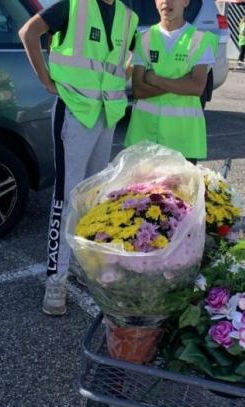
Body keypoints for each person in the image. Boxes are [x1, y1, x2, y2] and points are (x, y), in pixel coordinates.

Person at [19, 0, 139, 316]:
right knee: (66, 196)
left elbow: (124, 62)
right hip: (75, 110)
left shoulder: (129, 18)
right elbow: (28, 32)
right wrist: (45, 79)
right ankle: (55, 280)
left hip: (106, 112)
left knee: (93, 198)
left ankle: (79, 266)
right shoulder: (74, 6)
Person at [124, 0, 218, 164]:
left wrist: (155, 79)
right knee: (143, 190)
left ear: (186, 2)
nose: (167, 2)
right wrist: (181, 82)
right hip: (145, 139)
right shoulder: (144, 39)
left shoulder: (199, 40)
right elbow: (139, 90)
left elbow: (196, 87)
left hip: (183, 141)